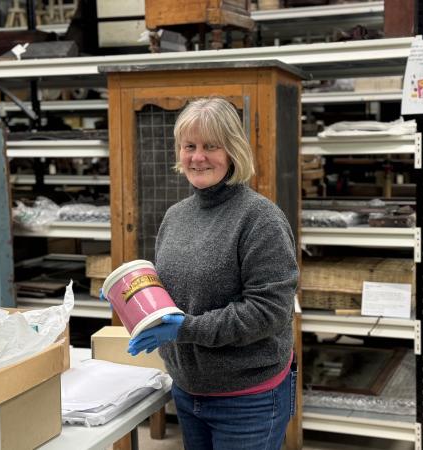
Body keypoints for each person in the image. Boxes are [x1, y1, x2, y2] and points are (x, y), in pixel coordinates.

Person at [128, 97, 299, 450]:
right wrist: (131, 291)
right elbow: (174, 287)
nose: (197, 157)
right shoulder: (176, 216)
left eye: (211, 146)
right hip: (188, 390)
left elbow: (268, 311)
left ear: (233, 151)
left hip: (248, 399)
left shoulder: (259, 219)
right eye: (189, 146)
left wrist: (185, 329)